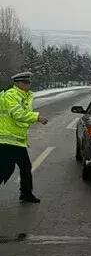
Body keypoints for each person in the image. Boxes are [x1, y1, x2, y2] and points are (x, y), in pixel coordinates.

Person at [0, 71, 48, 203]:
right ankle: (26, 193)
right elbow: (18, 114)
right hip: (7, 139)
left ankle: (26, 193)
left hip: (16, 140)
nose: (28, 84)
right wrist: (37, 117)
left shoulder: (24, 96)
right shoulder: (11, 95)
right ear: (18, 83)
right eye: (25, 82)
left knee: (25, 166)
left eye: (29, 82)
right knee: (6, 169)